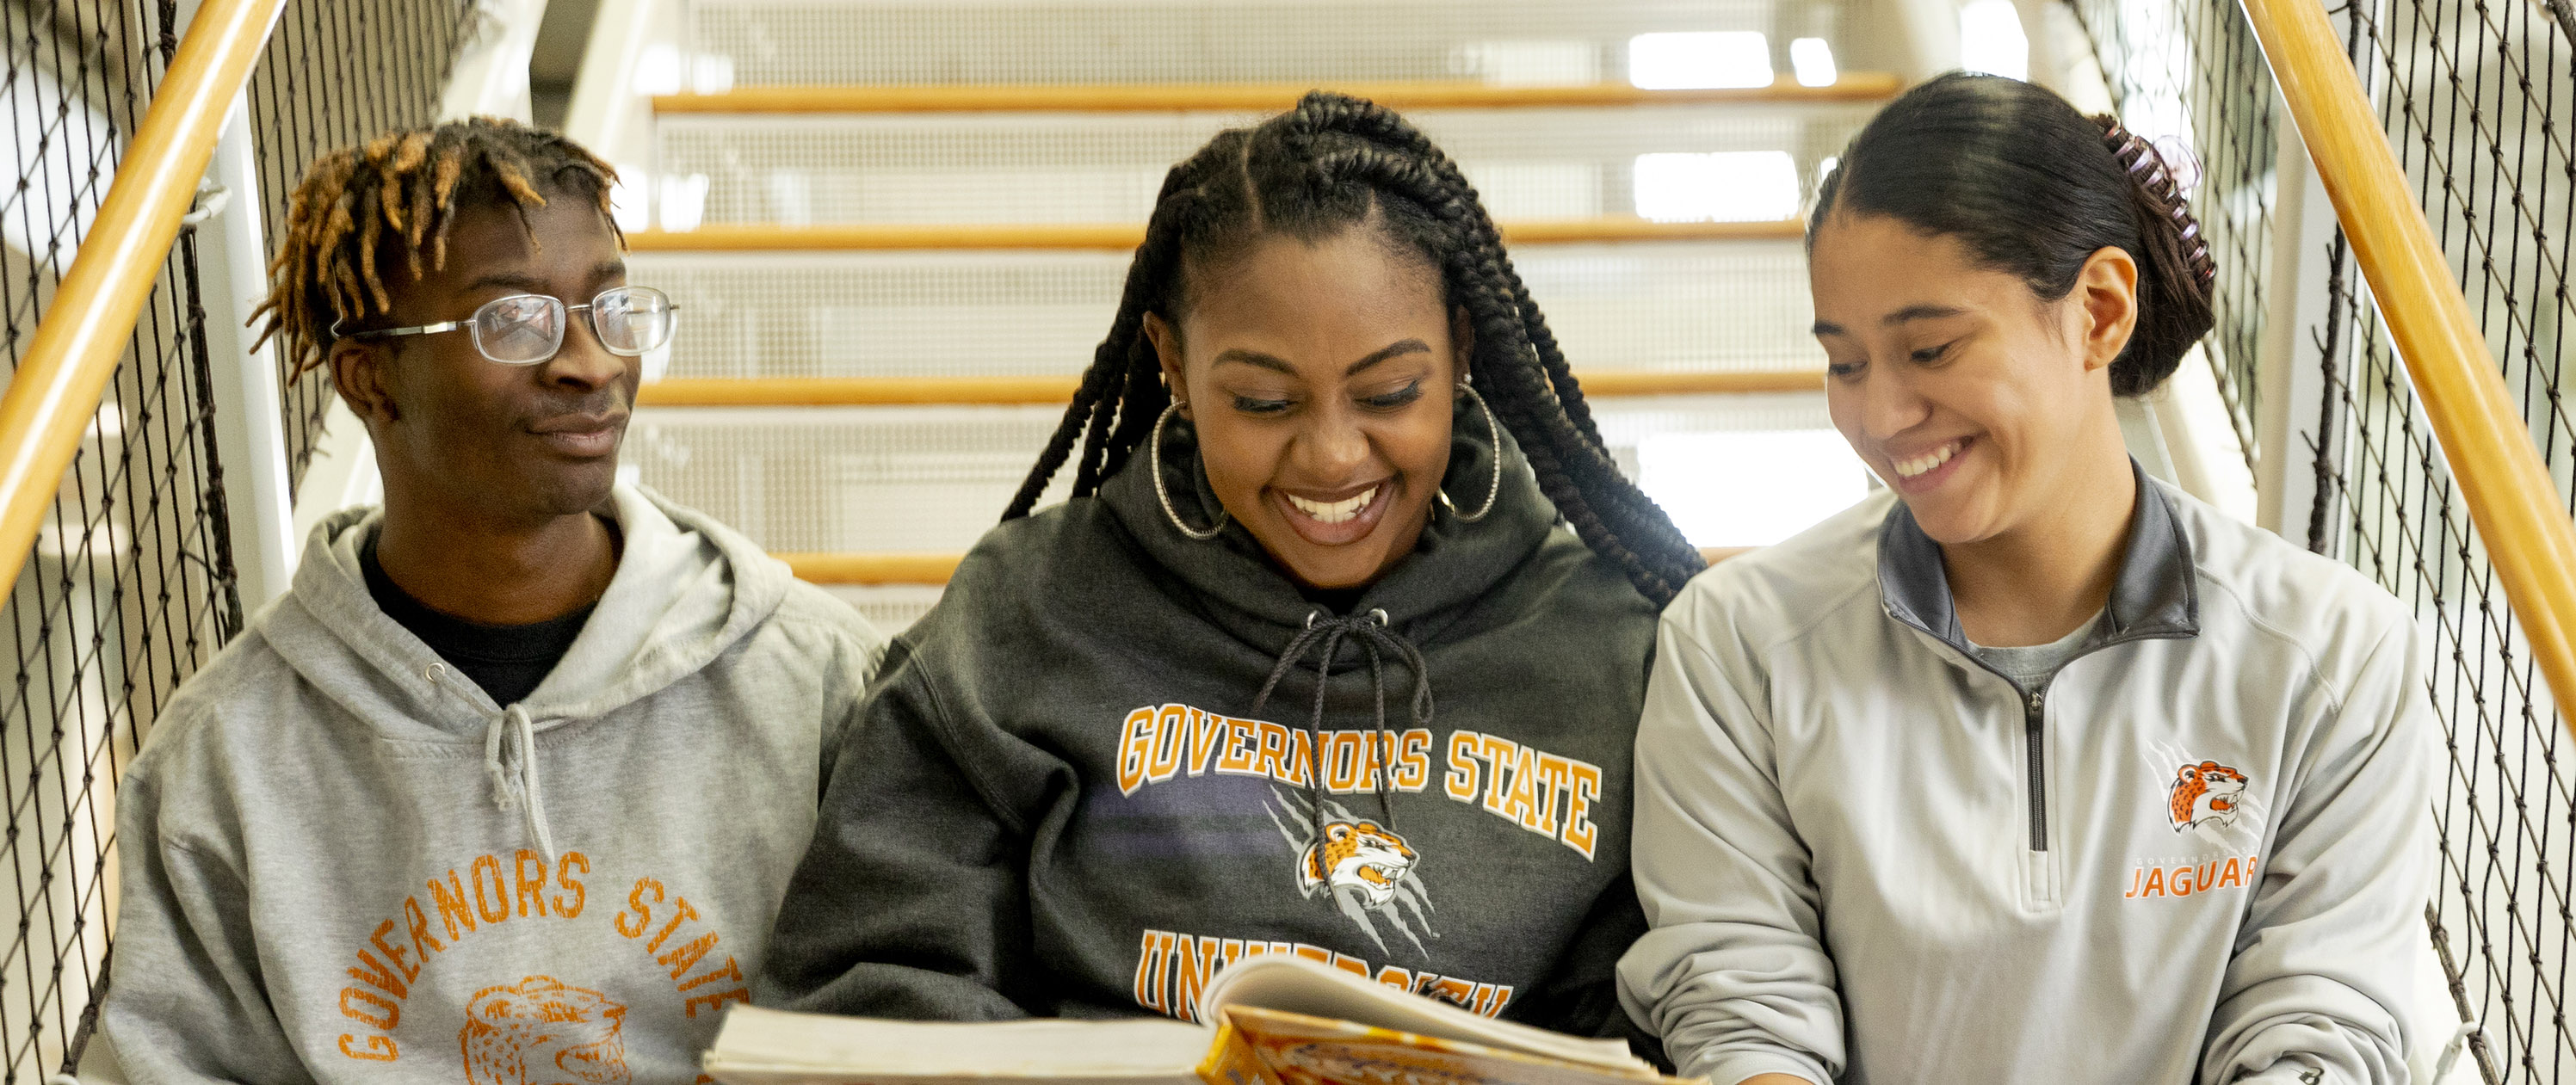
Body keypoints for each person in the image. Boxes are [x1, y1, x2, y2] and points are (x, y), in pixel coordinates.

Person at [757, 92, 1705, 1039]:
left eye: (1388, 391)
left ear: (1463, 348)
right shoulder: (1021, 618)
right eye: (1261, 401)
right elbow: (868, 990)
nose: (1333, 456)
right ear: (1169, 360)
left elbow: (1674, 1000)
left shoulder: (1608, 641)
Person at [1616, 71, 2437, 1084]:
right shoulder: (1734, 646)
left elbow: (2317, 1025)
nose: (1878, 414)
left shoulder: (2330, 655)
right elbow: (1743, 1016)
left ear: (2097, 310)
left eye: (1928, 347)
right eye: (1843, 363)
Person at [101, 117, 886, 1082]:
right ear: (370, 379)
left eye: (609, 309)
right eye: (514, 322)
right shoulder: (224, 756)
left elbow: (899, 1020)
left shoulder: (817, 680)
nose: (591, 364)